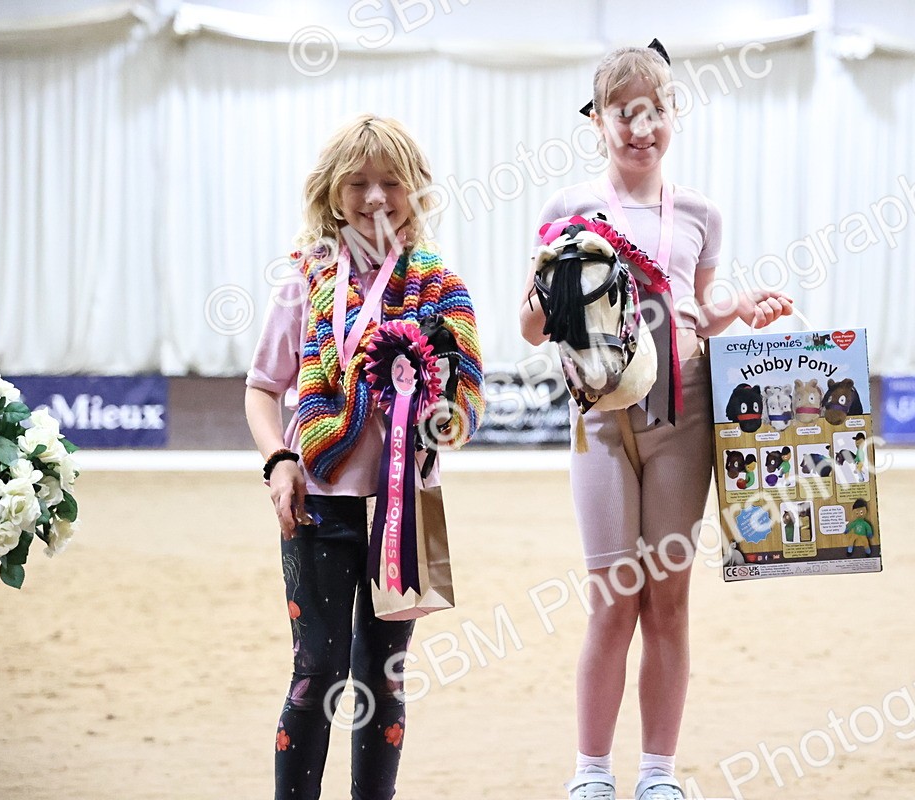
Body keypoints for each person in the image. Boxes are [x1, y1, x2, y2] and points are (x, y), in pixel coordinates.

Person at [519, 45, 792, 800]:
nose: (641, 127)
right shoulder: (565, 211)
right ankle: (592, 774)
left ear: (673, 117)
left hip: (687, 411)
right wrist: (550, 297)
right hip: (603, 423)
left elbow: (703, 309)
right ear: (599, 121)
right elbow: (531, 329)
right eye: (624, 112)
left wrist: (739, 311)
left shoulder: (702, 212)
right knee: (612, 598)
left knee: (668, 598)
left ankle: (660, 775)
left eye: (655, 111)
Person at [246, 114, 483, 800]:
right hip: (319, 508)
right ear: (331, 192)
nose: (375, 197)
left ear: (414, 190)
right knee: (315, 671)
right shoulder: (303, 282)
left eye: (390, 182)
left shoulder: (442, 287)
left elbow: (467, 398)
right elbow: (262, 391)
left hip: (401, 515)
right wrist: (280, 460)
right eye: (357, 184)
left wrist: (441, 415)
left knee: (384, 679)